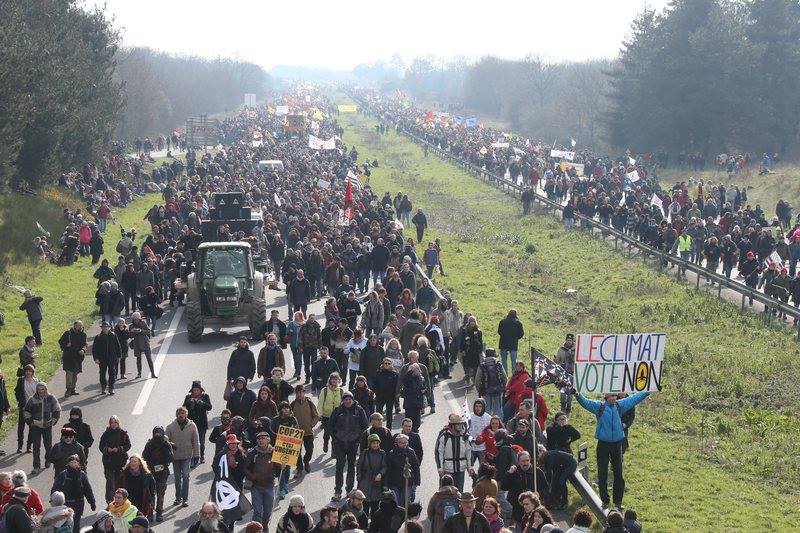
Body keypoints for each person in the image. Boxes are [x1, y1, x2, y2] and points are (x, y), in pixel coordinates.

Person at [574, 390, 650, 508]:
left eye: (615, 396)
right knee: (602, 473)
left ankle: (618, 502)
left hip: (617, 444)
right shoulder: (599, 406)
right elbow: (586, 402)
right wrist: (577, 394)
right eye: (611, 396)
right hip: (603, 444)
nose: (614, 398)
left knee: (619, 474)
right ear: (606, 396)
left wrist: (647, 391)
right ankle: (605, 501)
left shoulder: (619, 405)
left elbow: (634, 399)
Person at [328, 390, 369, 500]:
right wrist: (334, 440)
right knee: (339, 468)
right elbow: (330, 426)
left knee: (351, 468)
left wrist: (359, 441)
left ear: (352, 399)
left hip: (353, 444)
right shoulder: (337, 410)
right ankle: (337, 491)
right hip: (340, 444)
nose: (347, 401)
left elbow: (365, 427)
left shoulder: (359, 411)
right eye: (345, 399)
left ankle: (349, 491)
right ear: (343, 401)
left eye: (349, 399)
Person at [24, 381, 61, 474]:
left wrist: (52, 421)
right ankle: (36, 466)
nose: (40, 391)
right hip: (35, 426)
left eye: (42, 389)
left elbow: (57, 410)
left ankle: (48, 460)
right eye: (39, 389)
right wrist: (31, 422)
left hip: (47, 426)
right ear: (36, 390)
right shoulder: (32, 399)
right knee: (36, 446)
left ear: (46, 389)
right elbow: (26, 412)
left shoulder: (51, 398)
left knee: (48, 445)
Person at [51, 455, 96, 533]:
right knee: (65, 523)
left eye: (75, 462)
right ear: (68, 464)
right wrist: (52, 500)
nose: (73, 464)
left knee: (76, 523)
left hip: (78, 503)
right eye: (71, 462)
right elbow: (55, 488)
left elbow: (87, 489)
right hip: (66, 504)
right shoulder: (63, 475)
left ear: (78, 463)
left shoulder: (82, 475)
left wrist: (92, 502)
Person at [166, 405, 199, 507]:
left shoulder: (192, 426)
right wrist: (167, 456)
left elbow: (196, 441)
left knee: (185, 476)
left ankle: (185, 499)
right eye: (179, 413)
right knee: (177, 478)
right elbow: (166, 442)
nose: (181, 415)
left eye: (183, 413)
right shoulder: (170, 426)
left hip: (187, 455)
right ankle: (178, 498)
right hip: (175, 457)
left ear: (186, 414)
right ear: (176, 415)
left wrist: (197, 455)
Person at [244, 431, 277, 531]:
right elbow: (245, 468)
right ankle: (256, 530)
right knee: (257, 511)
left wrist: (283, 465)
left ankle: (265, 525)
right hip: (256, 487)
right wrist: (253, 477)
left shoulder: (274, 452)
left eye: (263, 438)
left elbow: (280, 468)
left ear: (268, 440)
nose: (260, 440)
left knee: (268, 511)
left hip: (269, 486)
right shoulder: (252, 453)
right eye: (259, 439)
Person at [141, 426, 173, 522]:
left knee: (160, 493)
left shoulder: (166, 444)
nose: (158, 436)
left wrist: (165, 451)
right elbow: (144, 457)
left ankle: (159, 512)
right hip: (151, 473)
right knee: (150, 494)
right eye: (156, 434)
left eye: (159, 434)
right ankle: (150, 512)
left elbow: (171, 458)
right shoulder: (150, 444)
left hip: (162, 473)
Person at [435, 413, 473, 492]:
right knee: (445, 492)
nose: (460, 426)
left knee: (459, 493)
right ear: (452, 425)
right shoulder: (444, 436)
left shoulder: (465, 437)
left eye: (461, 424)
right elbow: (439, 452)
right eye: (458, 424)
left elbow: (469, 452)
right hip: (447, 470)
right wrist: (440, 468)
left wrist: (470, 467)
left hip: (460, 470)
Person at [98, 415, 130, 502]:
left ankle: (121, 501)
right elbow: (101, 446)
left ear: (118, 423)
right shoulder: (105, 434)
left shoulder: (123, 434)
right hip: (109, 463)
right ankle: (110, 502)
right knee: (110, 484)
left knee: (119, 483)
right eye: (112, 422)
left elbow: (128, 445)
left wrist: (119, 449)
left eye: (115, 422)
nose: (113, 424)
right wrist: (107, 449)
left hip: (120, 463)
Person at [270, 401, 298, 497]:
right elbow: (271, 432)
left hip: (290, 447)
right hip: (279, 447)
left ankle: (285, 483)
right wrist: (279, 437)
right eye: (283, 407)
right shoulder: (275, 420)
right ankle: (281, 489)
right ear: (280, 409)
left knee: (288, 466)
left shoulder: (293, 419)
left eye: (287, 407)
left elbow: (297, 431)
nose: (285, 409)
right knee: (280, 468)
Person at [386, 431, 420, 509]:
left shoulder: (411, 452)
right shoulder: (392, 453)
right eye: (401, 442)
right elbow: (388, 469)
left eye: (405, 442)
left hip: (408, 481)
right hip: (395, 482)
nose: (403, 444)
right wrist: (387, 484)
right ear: (397, 442)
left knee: (406, 503)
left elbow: (416, 467)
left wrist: (417, 482)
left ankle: (406, 519)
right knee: (396, 503)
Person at [537, 444, 577, 510]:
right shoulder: (547, 456)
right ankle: (557, 501)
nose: (538, 457)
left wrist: (547, 485)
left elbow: (549, 473)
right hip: (562, 466)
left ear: (542, 452)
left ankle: (565, 502)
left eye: (538, 454)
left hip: (571, 464)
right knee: (556, 480)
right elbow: (550, 473)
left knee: (561, 480)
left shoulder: (548, 456)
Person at [291, 385, 319, 474]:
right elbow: (289, 418)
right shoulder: (292, 404)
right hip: (296, 433)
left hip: (308, 431)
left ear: (304, 392)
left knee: (309, 450)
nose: (299, 394)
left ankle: (306, 461)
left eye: (301, 392)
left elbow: (316, 416)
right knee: (297, 452)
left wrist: (312, 424)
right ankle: (299, 468)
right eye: (297, 392)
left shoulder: (309, 403)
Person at [118, 454, 155, 522]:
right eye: (131, 461)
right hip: (129, 503)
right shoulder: (124, 475)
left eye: (135, 461)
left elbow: (152, 490)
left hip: (142, 503)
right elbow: (119, 488)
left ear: (139, 463)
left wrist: (152, 503)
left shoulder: (147, 475)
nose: (133, 463)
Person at [358, 434, 388, 516]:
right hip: (365, 483)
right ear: (369, 444)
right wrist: (359, 478)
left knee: (375, 507)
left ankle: (374, 526)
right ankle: (364, 525)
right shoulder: (364, 453)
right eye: (373, 443)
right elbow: (359, 465)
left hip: (376, 483)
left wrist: (380, 474)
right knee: (364, 507)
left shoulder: (382, 453)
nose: (375, 445)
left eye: (377, 443)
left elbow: (384, 466)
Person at [184, 380, 213, 464]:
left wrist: (202, 403)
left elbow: (209, 407)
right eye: (194, 390)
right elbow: (184, 407)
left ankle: (202, 456)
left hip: (202, 423)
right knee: (192, 441)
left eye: (197, 390)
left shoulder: (205, 396)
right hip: (191, 423)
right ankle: (193, 457)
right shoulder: (188, 397)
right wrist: (189, 403)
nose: (196, 391)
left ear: (200, 390)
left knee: (201, 442)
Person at [58, 320, 87, 396]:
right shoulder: (68, 333)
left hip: (78, 358)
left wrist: (83, 350)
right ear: (74, 326)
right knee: (69, 373)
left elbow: (85, 345)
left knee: (75, 374)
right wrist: (66, 345)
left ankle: (73, 389)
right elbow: (60, 341)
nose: (80, 327)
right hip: (68, 357)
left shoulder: (83, 334)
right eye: (78, 325)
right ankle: (68, 389)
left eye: (81, 326)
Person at [92, 321, 121, 395]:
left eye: (106, 327)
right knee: (102, 374)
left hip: (112, 358)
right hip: (102, 359)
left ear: (109, 328)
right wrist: (96, 358)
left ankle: (111, 388)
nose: (105, 328)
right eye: (103, 327)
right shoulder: (98, 337)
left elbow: (117, 346)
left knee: (112, 373)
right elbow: (94, 349)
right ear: (101, 328)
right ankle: (103, 387)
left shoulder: (113, 335)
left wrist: (118, 356)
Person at [15, 364, 39, 453]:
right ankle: (19, 446)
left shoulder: (36, 381)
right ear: (24, 372)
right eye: (26, 371)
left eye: (30, 371)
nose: (28, 372)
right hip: (23, 407)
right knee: (21, 427)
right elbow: (16, 391)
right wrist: (20, 401)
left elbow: (40, 393)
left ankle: (29, 446)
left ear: (33, 372)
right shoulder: (21, 380)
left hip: (33, 408)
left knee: (32, 427)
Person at [476, 350, 507, 417]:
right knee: (498, 409)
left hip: (486, 390)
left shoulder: (482, 365)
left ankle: (487, 424)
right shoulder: (498, 364)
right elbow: (505, 377)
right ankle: (499, 424)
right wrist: (503, 387)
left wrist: (479, 389)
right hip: (497, 391)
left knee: (486, 409)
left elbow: (477, 379)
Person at [318, 372, 343, 453]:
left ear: (339, 380)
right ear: (330, 380)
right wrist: (319, 414)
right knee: (327, 434)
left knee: (335, 436)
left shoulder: (341, 391)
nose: (335, 381)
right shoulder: (324, 390)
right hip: (327, 417)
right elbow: (320, 403)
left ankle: (334, 452)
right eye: (333, 379)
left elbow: (343, 404)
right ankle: (325, 443)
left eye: (336, 379)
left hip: (337, 417)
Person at [128, 312, 156, 378]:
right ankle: (139, 374)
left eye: (137, 319)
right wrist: (133, 331)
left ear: (139, 319)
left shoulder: (143, 323)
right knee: (138, 359)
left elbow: (148, 331)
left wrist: (141, 331)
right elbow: (130, 336)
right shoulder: (131, 326)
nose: (136, 320)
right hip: (136, 344)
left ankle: (153, 373)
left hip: (145, 343)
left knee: (149, 359)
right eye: (135, 319)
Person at [401, 363, 427, 432]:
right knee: (408, 421)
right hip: (409, 404)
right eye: (414, 369)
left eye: (417, 369)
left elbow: (424, 387)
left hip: (418, 403)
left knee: (417, 422)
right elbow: (405, 380)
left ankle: (415, 433)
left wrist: (424, 390)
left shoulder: (421, 378)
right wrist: (411, 371)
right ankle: (407, 433)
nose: (416, 371)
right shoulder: (408, 378)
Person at [374, 358, 399, 429]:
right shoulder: (378, 373)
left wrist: (396, 394)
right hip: (380, 397)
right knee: (378, 414)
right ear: (383, 364)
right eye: (385, 363)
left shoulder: (395, 374)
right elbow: (374, 384)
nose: (387, 365)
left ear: (391, 365)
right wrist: (377, 393)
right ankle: (377, 428)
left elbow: (397, 386)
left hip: (390, 397)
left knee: (389, 415)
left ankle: (388, 430)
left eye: (389, 363)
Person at [553, 335, 575, 414]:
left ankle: (568, 407)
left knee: (570, 392)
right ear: (565, 340)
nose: (569, 342)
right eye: (568, 340)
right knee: (562, 391)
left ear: (573, 341)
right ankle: (562, 406)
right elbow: (557, 360)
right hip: (563, 373)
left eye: (570, 340)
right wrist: (555, 360)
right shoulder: (561, 349)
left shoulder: (576, 350)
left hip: (572, 373)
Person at [468, 398, 492, 467]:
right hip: (471, 447)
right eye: (476, 406)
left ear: (483, 407)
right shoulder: (469, 417)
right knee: (469, 467)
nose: (477, 408)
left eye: (480, 406)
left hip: (483, 448)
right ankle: (475, 477)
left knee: (483, 468)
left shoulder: (488, 418)